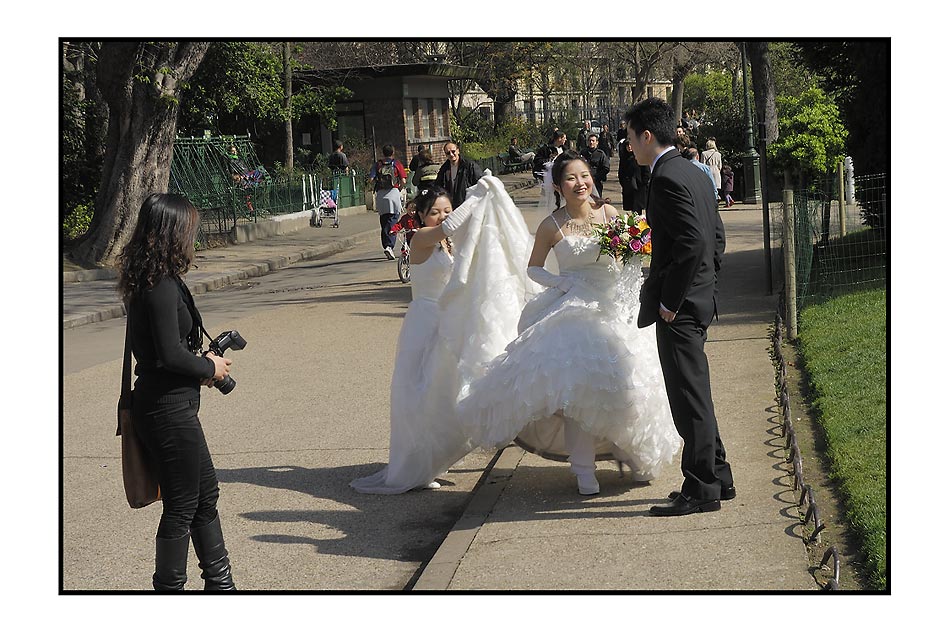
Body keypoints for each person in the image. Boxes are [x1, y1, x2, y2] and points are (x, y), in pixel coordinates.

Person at [459, 150, 681, 496]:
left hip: (617, 307)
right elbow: (533, 268)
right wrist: (562, 283)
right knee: (578, 395)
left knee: (631, 386)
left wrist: (631, 273)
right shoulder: (552, 225)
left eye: (584, 175)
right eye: (571, 178)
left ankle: (632, 452)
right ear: (559, 186)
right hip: (576, 310)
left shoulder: (609, 212)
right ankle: (584, 470)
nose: (580, 183)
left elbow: (632, 253)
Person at [351, 175, 536, 494]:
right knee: (419, 394)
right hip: (424, 320)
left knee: (445, 391)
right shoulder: (421, 237)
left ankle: (435, 455)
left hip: (448, 320)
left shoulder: (448, 242)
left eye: (448, 209)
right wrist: (478, 197)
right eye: (436, 211)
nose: (444, 216)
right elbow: (449, 227)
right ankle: (415, 462)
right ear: (422, 215)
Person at [116, 193, 236, 590]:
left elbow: (159, 353)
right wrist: (209, 367)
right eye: (189, 228)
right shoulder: (160, 286)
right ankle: (171, 591)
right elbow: (167, 355)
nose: (193, 235)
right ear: (170, 233)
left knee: (205, 495)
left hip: (169, 405)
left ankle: (221, 585)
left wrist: (198, 366)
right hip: (167, 412)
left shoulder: (153, 280)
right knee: (184, 504)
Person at [624, 97, 734, 517]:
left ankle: (701, 486)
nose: (629, 145)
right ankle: (718, 477)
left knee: (688, 400)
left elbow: (693, 242)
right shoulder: (692, 170)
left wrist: (671, 301)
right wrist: (708, 284)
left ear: (647, 136)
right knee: (696, 396)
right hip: (699, 299)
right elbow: (716, 237)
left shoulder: (667, 176)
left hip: (681, 306)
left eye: (631, 136)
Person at [369, 144, 408, 260]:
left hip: (381, 195)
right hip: (393, 193)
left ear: (383, 153)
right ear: (393, 152)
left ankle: (386, 245)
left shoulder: (378, 165)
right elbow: (404, 180)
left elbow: (371, 179)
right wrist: (400, 188)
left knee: (384, 221)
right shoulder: (396, 164)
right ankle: (389, 246)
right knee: (393, 220)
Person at [435, 141, 484, 209]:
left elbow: (480, 183)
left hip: (468, 204)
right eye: (448, 153)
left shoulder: (469, 166)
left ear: (458, 151)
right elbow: (438, 186)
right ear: (446, 155)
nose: (451, 154)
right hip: (452, 206)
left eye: (453, 151)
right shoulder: (444, 169)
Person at [580, 133, 610, 197]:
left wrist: (597, 177)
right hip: (584, 182)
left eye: (593, 141)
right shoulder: (583, 153)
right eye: (590, 141)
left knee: (597, 200)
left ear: (597, 142)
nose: (591, 142)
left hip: (596, 182)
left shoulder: (601, 154)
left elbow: (606, 168)